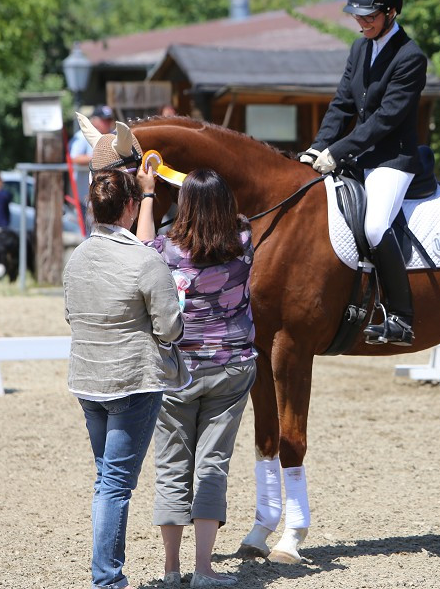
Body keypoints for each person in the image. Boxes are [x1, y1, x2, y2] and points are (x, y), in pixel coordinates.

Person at [63, 167, 189, 589]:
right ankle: (107, 579)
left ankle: (106, 575)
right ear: (131, 207)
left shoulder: (76, 256)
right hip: (132, 381)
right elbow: (170, 328)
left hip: (87, 379)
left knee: (106, 479)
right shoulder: (145, 259)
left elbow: (71, 315)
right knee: (115, 485)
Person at [135, 167, 256, 588]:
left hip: (177, 372)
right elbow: (241, 216)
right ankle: (204, 570)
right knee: (212, 465)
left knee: (170, 465)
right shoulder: (242, 242)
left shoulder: (167, 251)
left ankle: (171, 571)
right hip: (230, 367)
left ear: (184, 206)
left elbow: (142, 245)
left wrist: (149, 193)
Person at [297, 0, 428, 346]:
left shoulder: (410, 56)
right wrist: (317, 147)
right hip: (357, 156)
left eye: (369, 16)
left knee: (374, 227)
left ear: (391, 12)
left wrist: (337, 152)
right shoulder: (359, 49)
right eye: (358, 15)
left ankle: (401, 316)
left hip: (392, 159)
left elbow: (387, 118)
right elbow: (342, 104)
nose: (362, 21)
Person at [70, 106, 117, 228]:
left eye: (109, 120)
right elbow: (73, 158)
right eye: (104, 120)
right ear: (94, 121)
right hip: (86, 196)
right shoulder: (81, 136)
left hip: (107, 195)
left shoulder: (112, 136)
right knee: (90, 232)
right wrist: (101, 157)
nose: (107, 123)